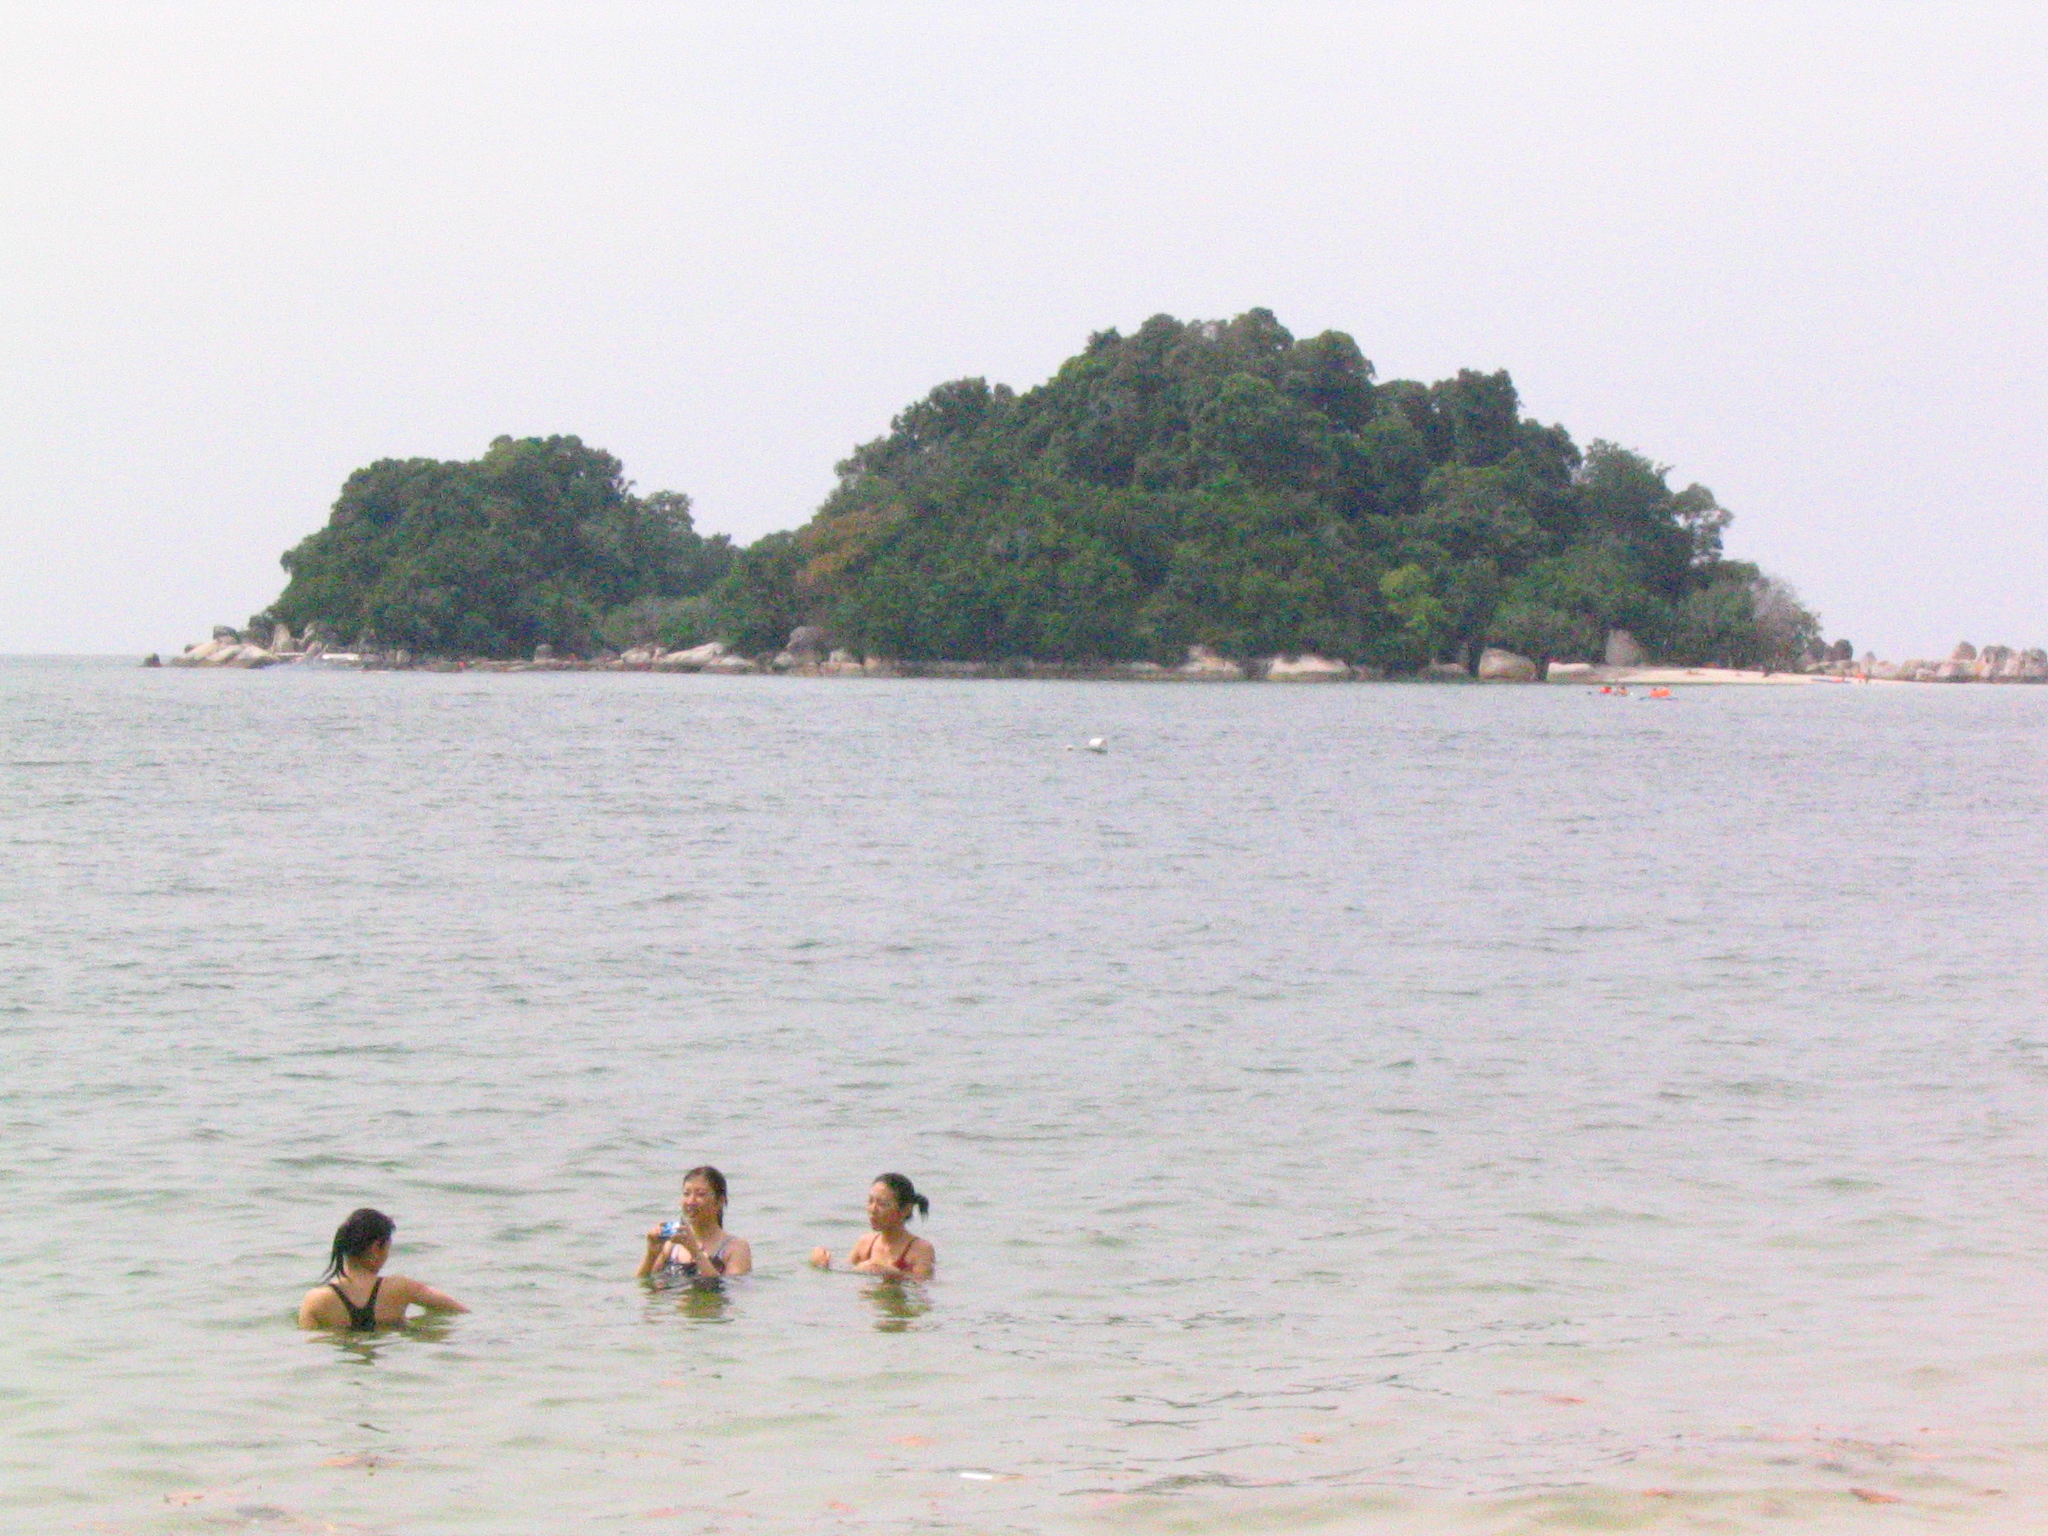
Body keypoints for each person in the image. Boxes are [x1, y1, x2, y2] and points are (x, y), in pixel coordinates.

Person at [297, 1208, 467, 1330]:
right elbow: (458, 1311)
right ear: (376, 1247)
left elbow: (311, 1348)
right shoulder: (400, 1288)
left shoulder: (316, 1300)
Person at [637, 1165, 753, 1281]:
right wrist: (651, 1254)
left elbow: (731, 1288)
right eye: (686, 1194)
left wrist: (695, 1252)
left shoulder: (735, 1248)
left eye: (700, 1194)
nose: (691, 1201)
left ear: (720, 1201)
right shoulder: (672, 1246)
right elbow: (643, 1284)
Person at [809, 1173, 934, 1280]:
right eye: (870, 1201)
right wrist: (823, 1263)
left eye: (882, 1204)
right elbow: (846, 1272)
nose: (873, 1210)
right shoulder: (866, 1243)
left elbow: (922, 1283)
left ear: (906, 1210)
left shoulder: (920, 1249)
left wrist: (888, 1272)